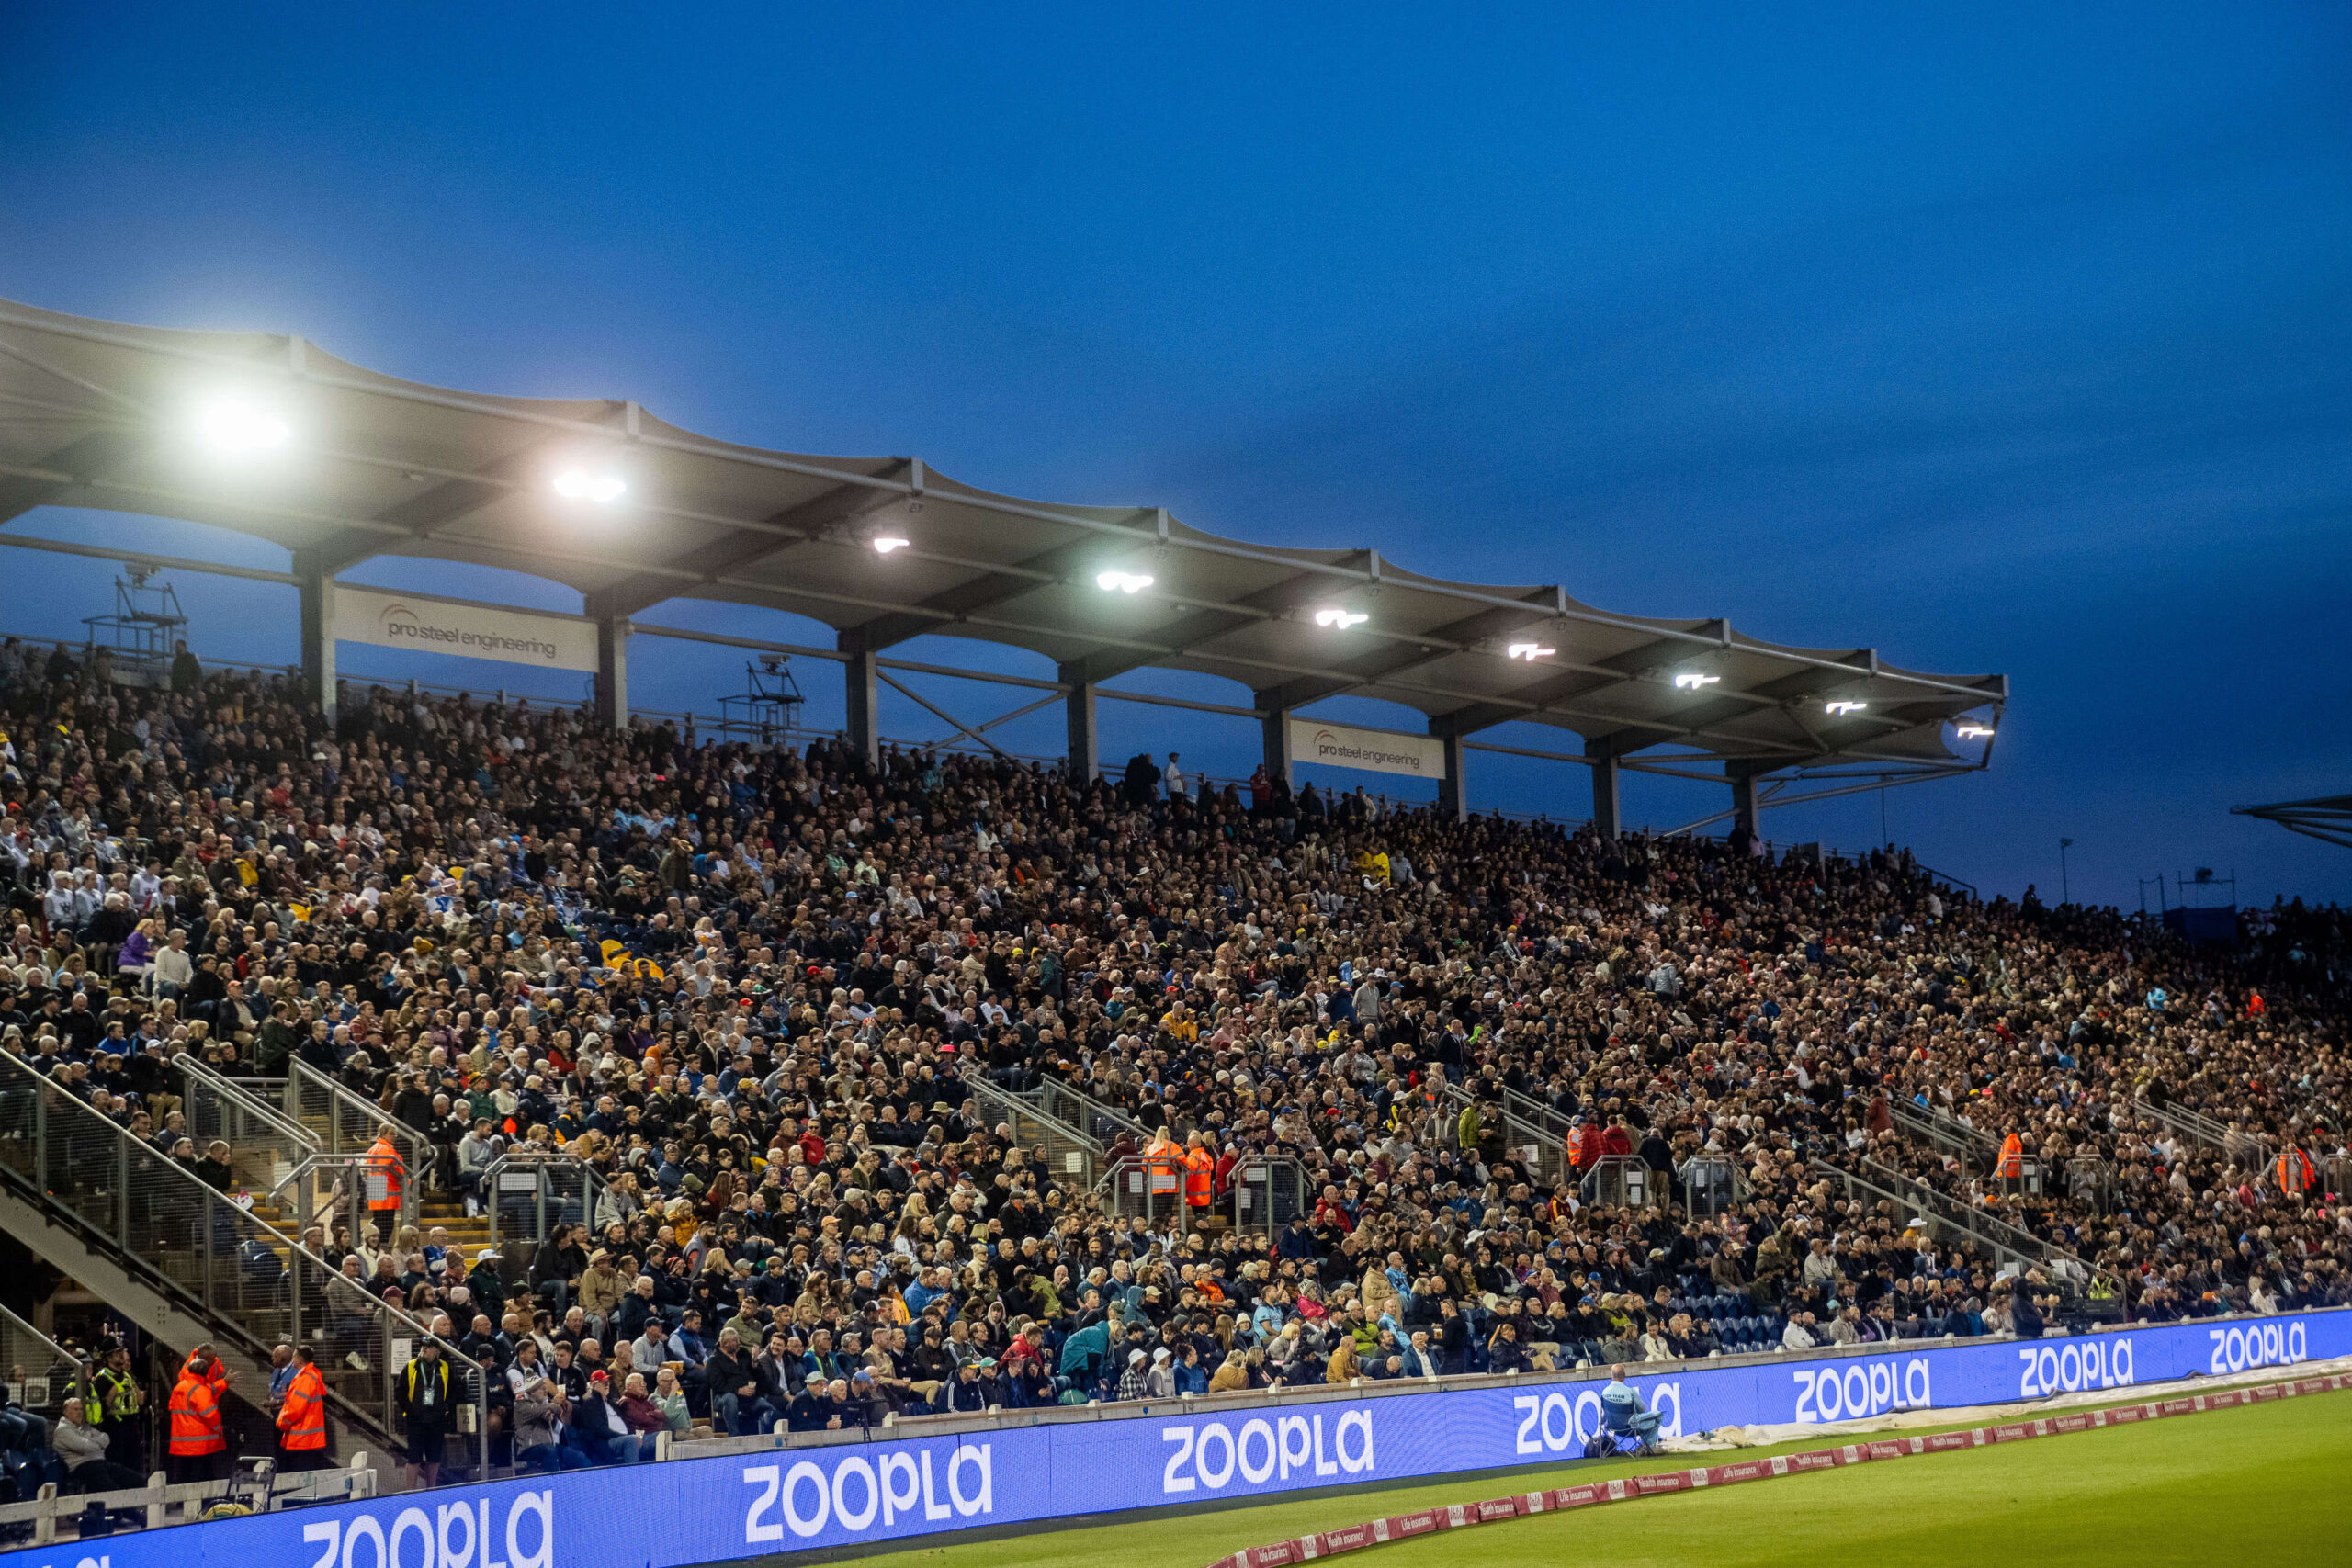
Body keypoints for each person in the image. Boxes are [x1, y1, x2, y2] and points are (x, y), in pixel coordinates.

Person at [165, 1344, 232, 1485]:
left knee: (183, 1477)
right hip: (200, 1445)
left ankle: (181, 1503)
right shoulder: (201, 1391)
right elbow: (211, 1416)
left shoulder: (179, 1387)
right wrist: (219, 1430)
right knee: (201, 1478)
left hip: (180, 1442)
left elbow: (171, 1406)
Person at [394, 1337, 454, 1487]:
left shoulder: (445, 1368)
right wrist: (410, 1409)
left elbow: (454, 1391)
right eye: (423, 1346)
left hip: (437, 1420)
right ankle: (410, 1492)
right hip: (416, 1420)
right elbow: (400, 1391)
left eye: (428, 1347)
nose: (424, 1349)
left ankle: (431, 1490)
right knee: (414, 1457)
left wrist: (446, 1409)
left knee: (434, 1457)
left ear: (437, 1351)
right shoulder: (411, 1366)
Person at [53, 1397, 143, 1493]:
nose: (80, 1412)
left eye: (81, 1409)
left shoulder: (84, 1427)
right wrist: (98, 1444)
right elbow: (85, 1447)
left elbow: (106, 1438)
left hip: (100, 1464)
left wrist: (91, 1442)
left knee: (136, 1480)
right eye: (76, 1409)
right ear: (66, 1412)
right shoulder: (63, 1431)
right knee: (111, 1489)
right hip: (81, 1467)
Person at [275, 1342, 332, 1470]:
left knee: (297, 1476)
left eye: (294, 1356)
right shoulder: (311, 1376)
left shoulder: (305, 1379)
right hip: (306, 1439)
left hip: (301, 1439)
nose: (291, 1359)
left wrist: (281, 1422)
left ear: (300, 1359)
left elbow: (295, 1409)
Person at [1600, 1364, 1663, 1451]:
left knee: (1641, 1420)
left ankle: (1646, 1446)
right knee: (1658, 1415)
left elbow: (1605, 1413)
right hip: (1631, 1428)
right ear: (1624, 1375)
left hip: (1612, 1428)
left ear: (1611, 1375)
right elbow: (1643, 1409)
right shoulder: (1630, 1392)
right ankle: (1649, 1446)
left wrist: (1601, 1423)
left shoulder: (1604, 1392)